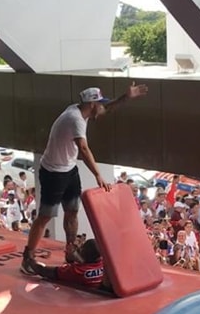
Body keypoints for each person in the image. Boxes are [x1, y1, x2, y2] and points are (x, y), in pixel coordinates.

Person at [21, 83, 148, 275]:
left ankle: (70, 250)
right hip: (53, 172)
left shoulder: (81, 110)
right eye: (99, 104)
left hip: (69, 169)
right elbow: (83, 147)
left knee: (72, 211)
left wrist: (126, 97)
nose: (101, 108)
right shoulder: (75, 119)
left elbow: (108, 108)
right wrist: (98, 174)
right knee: (45, 216)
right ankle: (27, 257)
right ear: (92, 104)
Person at [29, 238, 107, 290]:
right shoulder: (105, 263)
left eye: (81, 249)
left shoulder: (77, 271)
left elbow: (46, 272)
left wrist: (30, 261)